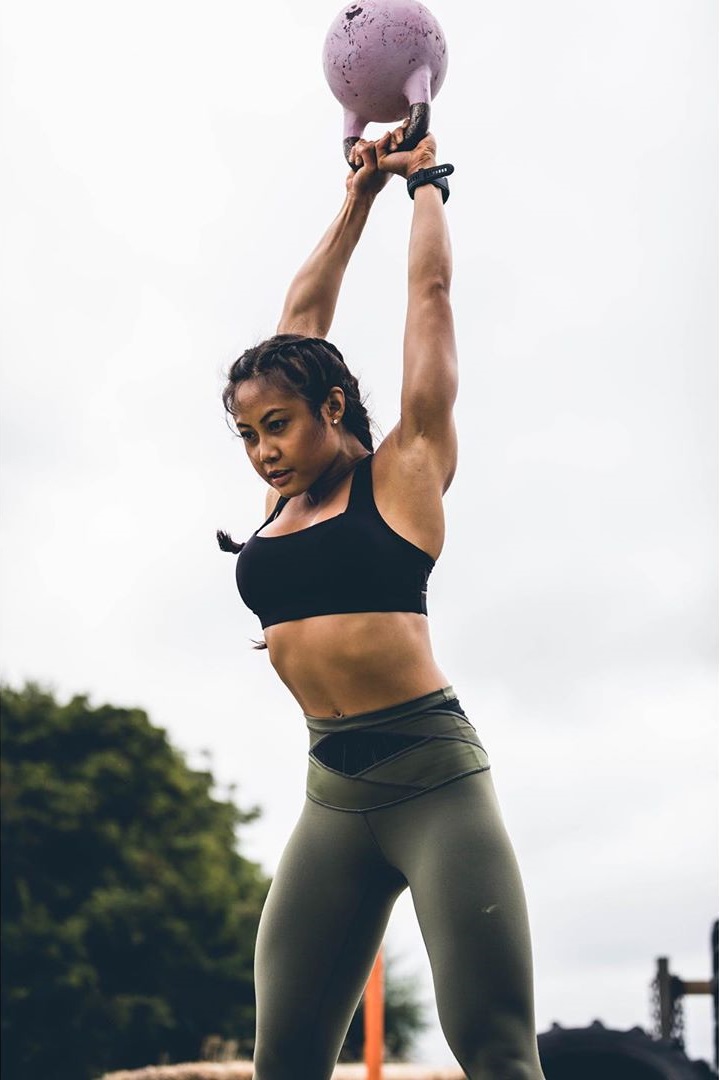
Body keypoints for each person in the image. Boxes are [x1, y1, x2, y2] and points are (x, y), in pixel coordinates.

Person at [218, 124, 546, 1080]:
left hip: (433, 784)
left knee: (494, 1051)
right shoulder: (279, 500)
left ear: (331, 407)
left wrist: (423, 185)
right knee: (282, 1061)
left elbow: (428, 300)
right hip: (333, 796)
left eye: (275, 424)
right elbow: (298, 321)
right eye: (245, 435)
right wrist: (354, 196)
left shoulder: (403, 470)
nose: (262, 449)